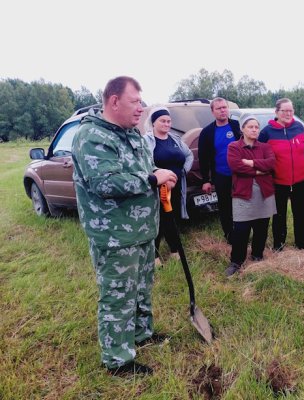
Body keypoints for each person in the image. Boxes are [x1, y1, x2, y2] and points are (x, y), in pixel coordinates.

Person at [71, 76, 178, 376]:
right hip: (115, 235)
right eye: (135, 102)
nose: (141, 109)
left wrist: (159, 171)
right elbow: (104, 182)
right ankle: (117, 360)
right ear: (114, 101)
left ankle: (142, 334)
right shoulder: (92, 137)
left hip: (143, 231)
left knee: (142, 289)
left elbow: (142, 169)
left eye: (142, 102)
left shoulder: (131, 134)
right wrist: (151, 179)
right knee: (118, 296)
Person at [224, 115, 277, 276]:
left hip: (264, 193)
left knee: (261, 227)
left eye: (256, 127)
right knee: (241, 229)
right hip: (243, 193)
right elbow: (236, 166)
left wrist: (251, 162)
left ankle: (257, 255)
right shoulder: (234, 146)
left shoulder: (265, 147)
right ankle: (236, 261)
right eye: (250, 127)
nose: (254, 130)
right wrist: (259, 170)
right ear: (242, 129)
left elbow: (271, 163)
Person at [143, 106, 193, 266]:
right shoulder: (147, 141)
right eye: (162, 121)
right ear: (153, 123)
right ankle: (155, 255)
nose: (166, 124)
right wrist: (159, 177)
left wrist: (183, 171)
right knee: (157, 220)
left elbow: (188, 155)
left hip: (176, 188)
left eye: (169, 121)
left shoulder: (175, 139)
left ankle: (174, 250)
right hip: (156, 189)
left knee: (173, 219)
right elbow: (144, 162)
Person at [258, 98, 304, 251]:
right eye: (284, 111)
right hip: (278, 181)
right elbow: (261, 155)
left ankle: (301, 244)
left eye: (290, 110)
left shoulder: (299, 127)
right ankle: (279, 245)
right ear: (276, 112)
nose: (288, 113)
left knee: (300, 213)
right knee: (279, 214)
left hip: (300, 180)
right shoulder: (267, 132)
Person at [198, 97, 242, 243]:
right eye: (219, 108)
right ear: (212, 111)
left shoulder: (236, 126)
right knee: (225, 207)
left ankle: (242, 233)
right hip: (222, 175)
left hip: (240, 175)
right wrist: (206, 180)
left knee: (241, 205)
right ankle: (230, 236)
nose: (223, 110)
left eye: (225, 107)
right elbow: (203, 158)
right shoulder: (207, 132)